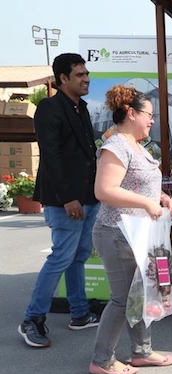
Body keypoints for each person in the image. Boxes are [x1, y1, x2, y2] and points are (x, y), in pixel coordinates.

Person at [89, 84, 172, 374]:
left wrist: (163, 199)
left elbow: (141, 184)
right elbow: (104, 190)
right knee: (121, 298)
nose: (152, 121)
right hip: (117, 232)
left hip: (138, 233)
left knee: (140, 292)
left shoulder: (137, 146)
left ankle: (141, 351)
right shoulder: (115, 146)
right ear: (130, 113)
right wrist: (145, 202)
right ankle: (102, 360)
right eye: (149, 115)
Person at [19, 53, 100, 348]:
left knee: (78, 256)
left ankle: (79, 313)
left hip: (89, 197)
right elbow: (51, 157)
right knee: (61, 257)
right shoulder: (49, 108)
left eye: (86, 73)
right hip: (64, 200)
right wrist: (69, 198)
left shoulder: (82, 109)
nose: (86, 78)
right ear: (63, 79)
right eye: (79, 75)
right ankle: (32, 318)